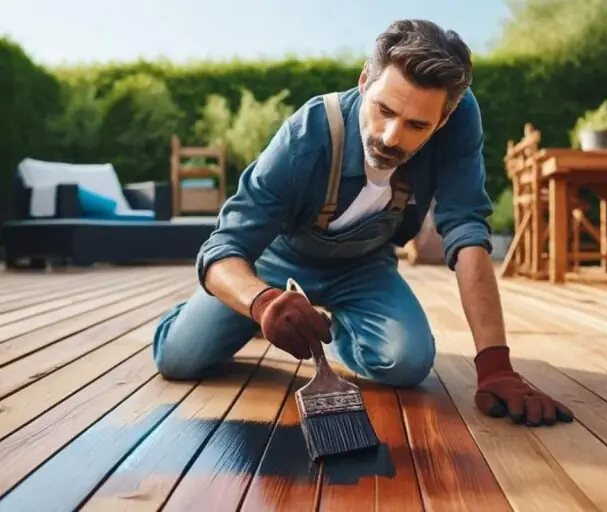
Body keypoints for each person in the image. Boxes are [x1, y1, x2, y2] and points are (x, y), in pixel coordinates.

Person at [152, 19, 573, 427]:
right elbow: (222, 247)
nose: (391, 136)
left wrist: (495, 365)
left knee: (406, 363)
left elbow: (467, 233)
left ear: (444, 119)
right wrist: (261, 301)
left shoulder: (459, 119)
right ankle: (246, 315)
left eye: (417, 125)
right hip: (276, 263)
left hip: (365, 265)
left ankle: (310, 324)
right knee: (180, 359)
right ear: (363, 81)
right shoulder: (307, 134)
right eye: (383, 109)